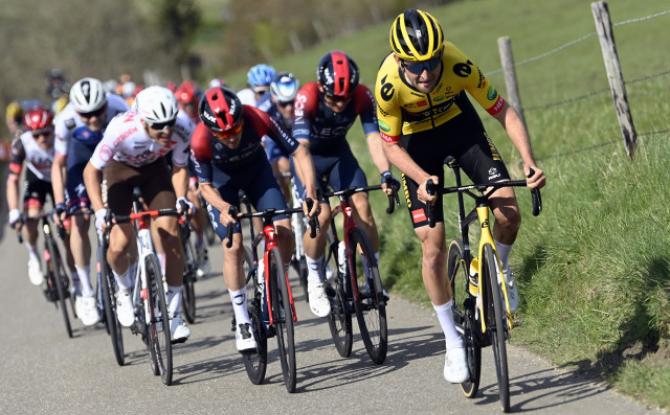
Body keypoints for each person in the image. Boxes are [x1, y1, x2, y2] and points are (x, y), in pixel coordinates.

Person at [374, 8, 546, 383]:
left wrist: (529, 162)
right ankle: (452, 342)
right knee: (432, 246)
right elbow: (390, 146)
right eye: (415, 66)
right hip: (415, 147)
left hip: (460, 129)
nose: (425, 74)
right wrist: (421, 179)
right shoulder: (388, 86)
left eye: (432, 63)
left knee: (508, 213)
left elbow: (503, 111)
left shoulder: (458, 65)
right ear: (400, 62)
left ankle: (498, 271)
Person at [190, 86, 319, 352]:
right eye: (223, 134)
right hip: (222, 186)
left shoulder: (257, 117)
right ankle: (242, 321)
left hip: (257, 175)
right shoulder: (200, 139)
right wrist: (223, 207)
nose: (231, 137)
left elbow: (298, 151)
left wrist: (310, 193)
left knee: (284, 231)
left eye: (236, 129)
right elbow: (204, 187)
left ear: (242, 119)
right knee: (234, 245)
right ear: (212, 131)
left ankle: (272, 275)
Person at [82, 86, 193, 342]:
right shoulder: (120, 129)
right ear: (143, 121)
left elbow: (179, 167)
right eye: (158, 126)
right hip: (119, 171)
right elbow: (91, 172)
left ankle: (174, 314)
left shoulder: (182, 126)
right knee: (119, 243)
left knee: (170, 233)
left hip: (155, 171)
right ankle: (123, 290)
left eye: (169, 123)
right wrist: (99, 210)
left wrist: (182, 198)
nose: (166, 131)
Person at [292, 51, 398, 318]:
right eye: (333, 98)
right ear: (321, 88)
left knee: (362, 205)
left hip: (339, 155)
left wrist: (385, 172)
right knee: (321, 215)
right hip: (308, 158)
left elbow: (374, 137)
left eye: (345, 98)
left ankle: (372, 274)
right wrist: (310, 191)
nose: (340, 104)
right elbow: (300, 148)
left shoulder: (362, 95)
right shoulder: (307, 97)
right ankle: (315, 277)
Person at [51, 77, 129, 326]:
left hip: (113, 157)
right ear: (76, 111)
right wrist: (60, 202)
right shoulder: (65, 120)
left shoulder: (119, 107)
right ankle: (85, 291)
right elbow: (58, 165)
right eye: (86, 115)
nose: (94, 119)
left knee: (124, 214)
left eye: (98, 111)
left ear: (106, 103)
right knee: (80, 219)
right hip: (80, 159)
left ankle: (129, 279)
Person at [5, 107, 76, 291]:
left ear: (52, 128)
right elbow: (13, 180)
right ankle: (33, 255)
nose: (42, 139)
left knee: (68, 228)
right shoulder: (22, 144)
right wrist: (14, 212)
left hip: (60, 179)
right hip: (37, 180)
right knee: (30, 219)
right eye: (36, 135)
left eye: (46, 133)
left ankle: (76, 279)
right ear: (30, 134)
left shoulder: (62, 137)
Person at [258, 71, 300, 199]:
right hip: (276, 142)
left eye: (292, 102)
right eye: (283, 104)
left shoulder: (303, 100)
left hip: (297, 138)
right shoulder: (263, 108)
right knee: (282, 165)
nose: (289, 108)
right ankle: (287, 200)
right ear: (274, 99)